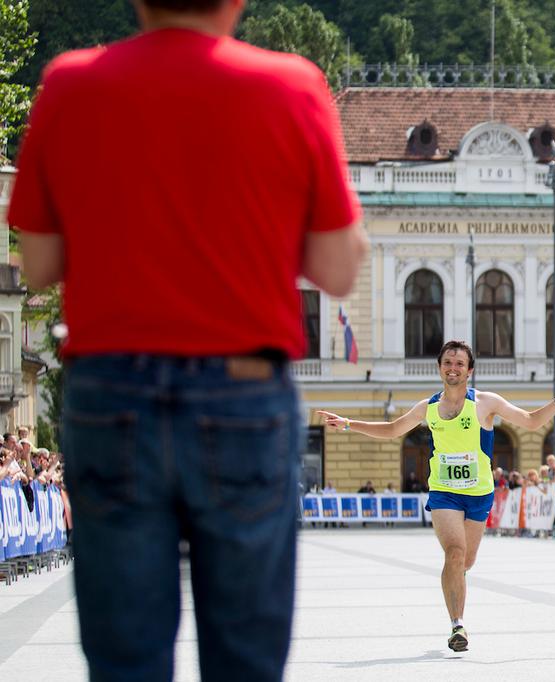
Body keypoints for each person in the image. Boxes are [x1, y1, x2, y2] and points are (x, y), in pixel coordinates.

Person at [9, 0, 368, 678]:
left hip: (111, 389)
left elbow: (39, 263)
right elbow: (338, 269)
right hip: (241, 391)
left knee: (125, 658)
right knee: (245, 658)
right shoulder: (290, 86)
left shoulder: (72, 84)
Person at [318, 340, 555, 652]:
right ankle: (458, 625)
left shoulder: (485, 403)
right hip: (443, 492)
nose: (453, 368)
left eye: (459, 363)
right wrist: (347, 424)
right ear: (440, 368)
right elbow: (392, 428)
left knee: (466, 560)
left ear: (470, 370)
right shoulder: (428, 407)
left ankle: (456, 587)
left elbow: (532, 421)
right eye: (448, 363)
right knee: (454, 552)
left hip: (479, 494)